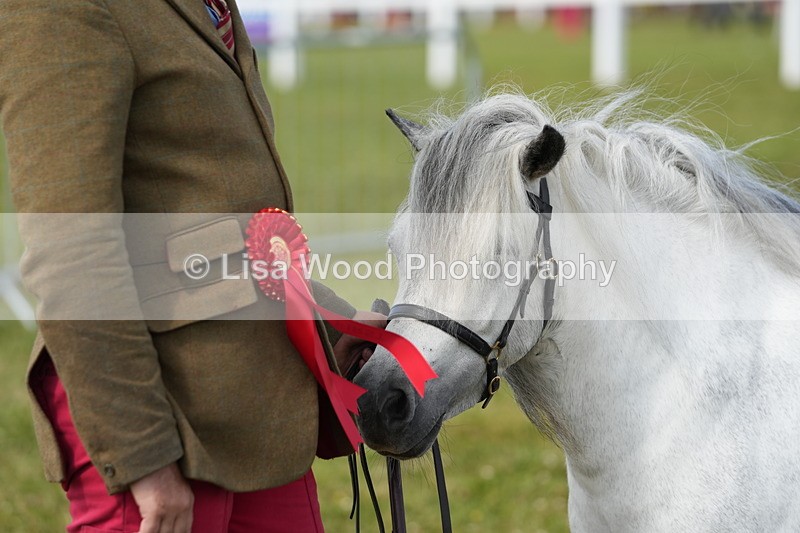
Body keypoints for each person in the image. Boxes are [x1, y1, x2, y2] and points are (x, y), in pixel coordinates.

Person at [0, 0, 384, 531]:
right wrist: (142, 455)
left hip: (261, 410)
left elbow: (231, 225)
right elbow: (71, 248)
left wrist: (338, 323)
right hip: (157, 416)